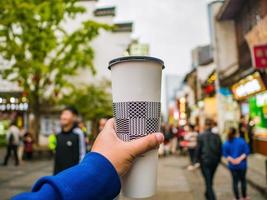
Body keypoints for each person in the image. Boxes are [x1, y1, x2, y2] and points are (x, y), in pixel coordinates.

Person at [12, 118, 164, 200]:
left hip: (87, 172)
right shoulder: (59, 135)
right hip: (78, 172)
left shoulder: (78, 133)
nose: (63, 118)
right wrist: (97, 167)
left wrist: (94, 167)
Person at [53, 107, 86, 174]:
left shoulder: (78, 133)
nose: (63, 116)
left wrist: (80, 171)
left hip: (73, 174)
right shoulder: (58, 133)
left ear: (74, 117)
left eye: (67, 114)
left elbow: (82, 153)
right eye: (62, 114)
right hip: (58, 173)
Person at [196, 119, 222, 200]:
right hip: (214, 161)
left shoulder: (200, 136)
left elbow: (198, 150)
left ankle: (211, 197)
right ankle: (207, 194)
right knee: (209, 180)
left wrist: (196, 161)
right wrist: (218, 160)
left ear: (205, 125)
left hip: (205, 161)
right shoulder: (217, 136)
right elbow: (220, 149)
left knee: (208, 181)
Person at [223, 127, 250, 200]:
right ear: (236, 133)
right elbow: (246, 152)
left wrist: (232, 160)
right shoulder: (242, 141)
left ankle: (237, 197)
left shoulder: (226, 142)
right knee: (243, 181)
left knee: (235, 182)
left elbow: (225, 154)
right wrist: (239, 159)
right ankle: (244, 197)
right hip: (242, 165)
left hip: (232, 166)